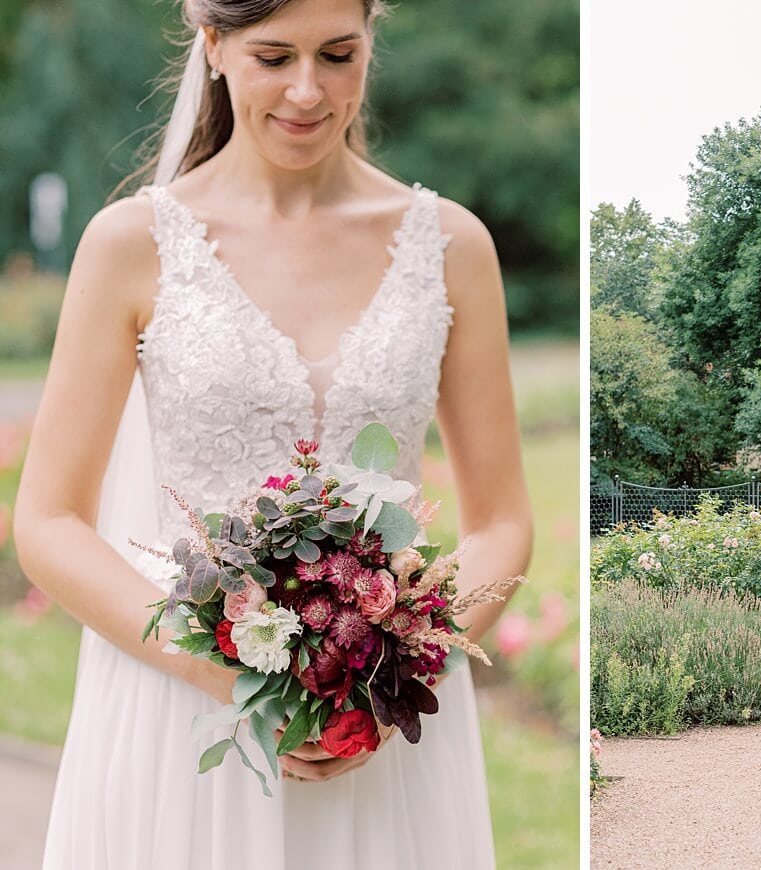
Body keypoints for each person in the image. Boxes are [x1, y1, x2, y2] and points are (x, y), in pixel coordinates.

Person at [12, 0, 533, 867]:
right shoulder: (130, 246)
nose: (307, 90)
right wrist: (228, 678)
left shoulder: (451, 248)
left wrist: (393, 665)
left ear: (373, 34)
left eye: (338, 54)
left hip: (381, 720)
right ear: (211, 44)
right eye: (273, 56)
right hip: (182, 711)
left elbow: (503, 520)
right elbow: (48, 522)